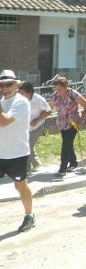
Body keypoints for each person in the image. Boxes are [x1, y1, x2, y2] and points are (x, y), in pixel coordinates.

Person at [0, 70, 36, 232]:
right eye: (2, 85)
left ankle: (29, 215)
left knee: (20, 186)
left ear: (17, 84)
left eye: (9, 84)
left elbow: (5, 122)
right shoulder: (2, 101)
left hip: (17, 154)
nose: (5, 88)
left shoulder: (21, 102)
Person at [50, 76, 86, 178]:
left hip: (73, 123)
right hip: (62, 124)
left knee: (66, 144)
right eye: (56, 89)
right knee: (68, 143)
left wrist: (82, 120)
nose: (58, 91)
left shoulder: (74, 94)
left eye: (60, 89)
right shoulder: (55, 96)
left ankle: (62, 169)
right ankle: (73, 162)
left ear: (66, 86)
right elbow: (48, 108)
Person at [18, 81, 51, 172]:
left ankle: (27, 167)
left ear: (29, 92)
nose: (20, 95)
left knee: (27, 146)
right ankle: (36, 163)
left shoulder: (38, 100)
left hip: (37, 126)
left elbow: (48, 111)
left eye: (22, 93)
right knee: (27, 145)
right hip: (25, 127)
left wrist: (37, 120)